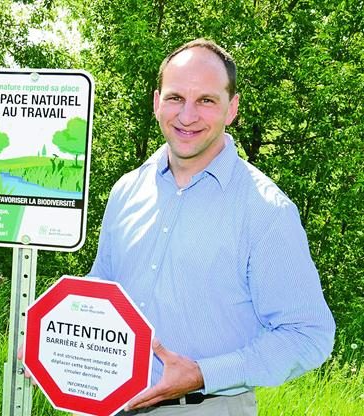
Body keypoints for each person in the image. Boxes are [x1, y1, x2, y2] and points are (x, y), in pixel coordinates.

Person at [88, 38, 335, 414]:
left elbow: (308, 334)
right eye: (175, 98)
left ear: (231, 108)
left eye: (206, 100)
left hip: (207, 407)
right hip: (111, 403)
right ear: (157, 102)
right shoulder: (127, 190)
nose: (187, 116)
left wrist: (204, 373)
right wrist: (52, 338)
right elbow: (101, 289)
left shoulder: (266, 211)